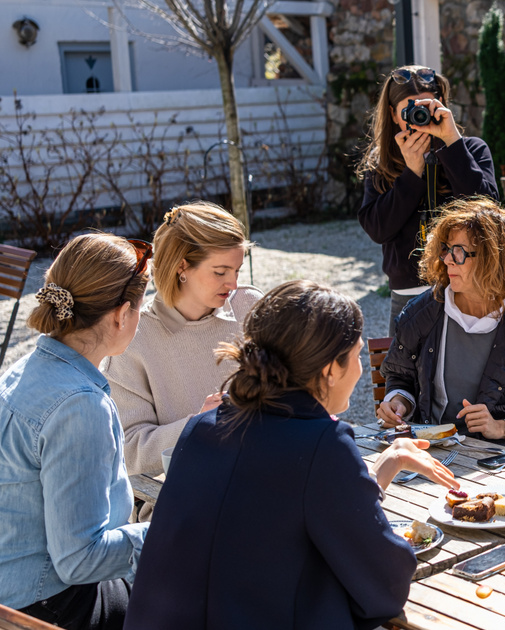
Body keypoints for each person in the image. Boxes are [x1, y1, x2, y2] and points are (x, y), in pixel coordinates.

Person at [124, 280, 458, 630]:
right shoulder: (322, 443)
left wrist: (384, 467)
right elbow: (386, 584)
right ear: (330, 370)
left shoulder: (203, 427)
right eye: (357, 355)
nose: (360, 370)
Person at [0, 234, 152, 630]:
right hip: (44, 607)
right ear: (121, 315)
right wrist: (168, 531)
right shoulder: (79, 405)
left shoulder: (25, 369)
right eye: (142, 307)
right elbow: (79, 559)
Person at [377, 198, 505, 455]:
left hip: (500, 457)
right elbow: (401, 377)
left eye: (459, 251)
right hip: (431, 451)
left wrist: (502, 427)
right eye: (445, 249)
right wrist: (398, 402)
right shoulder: (421, 312)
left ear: (494, 259)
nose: (447, 260)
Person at [104, 202, 259, 488]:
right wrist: (197, 426)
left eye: (236, 270)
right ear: (181, 267)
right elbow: (128, 451)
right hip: (186, 496)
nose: (233, 284)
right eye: (221, 272)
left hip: (265, 475)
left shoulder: (249, 306)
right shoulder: (133, 339)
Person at [356, 65, 499, 335]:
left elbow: (488, 212)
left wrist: (452, 143)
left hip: (471, 287)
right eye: (408, 110)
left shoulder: (472, 150)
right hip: (409, 291)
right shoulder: (382, 163)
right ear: (393, 115)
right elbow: (377, 229)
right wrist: (411, 173)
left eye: (426, 107)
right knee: (406, 376)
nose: (418, 118)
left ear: (442, 104)